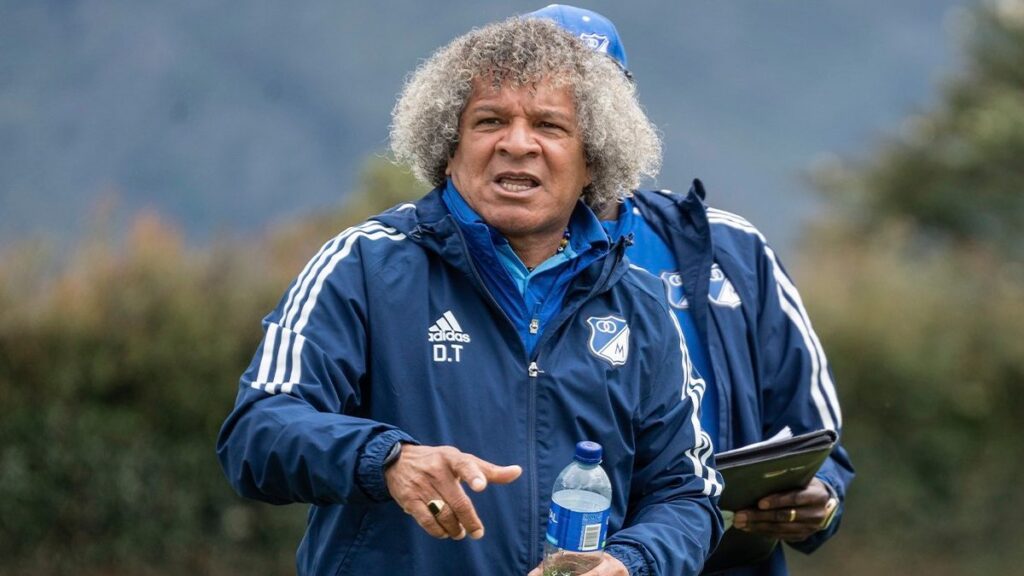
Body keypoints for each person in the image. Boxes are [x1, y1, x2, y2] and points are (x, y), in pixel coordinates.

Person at [217, 16, 724, 576]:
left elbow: (687, 493)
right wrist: (387, 459)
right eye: (490, 121)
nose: (517, 143)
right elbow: (257, 430)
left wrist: (630, 563)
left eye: (549, 126)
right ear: (448, 147)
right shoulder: (364, 265)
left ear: (593, 163)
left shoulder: (641, 306)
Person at [527, 5, 856, 575]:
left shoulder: (730, 248)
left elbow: (815, 432)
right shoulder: (464, 256)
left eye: (590, 99)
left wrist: (818, 499)